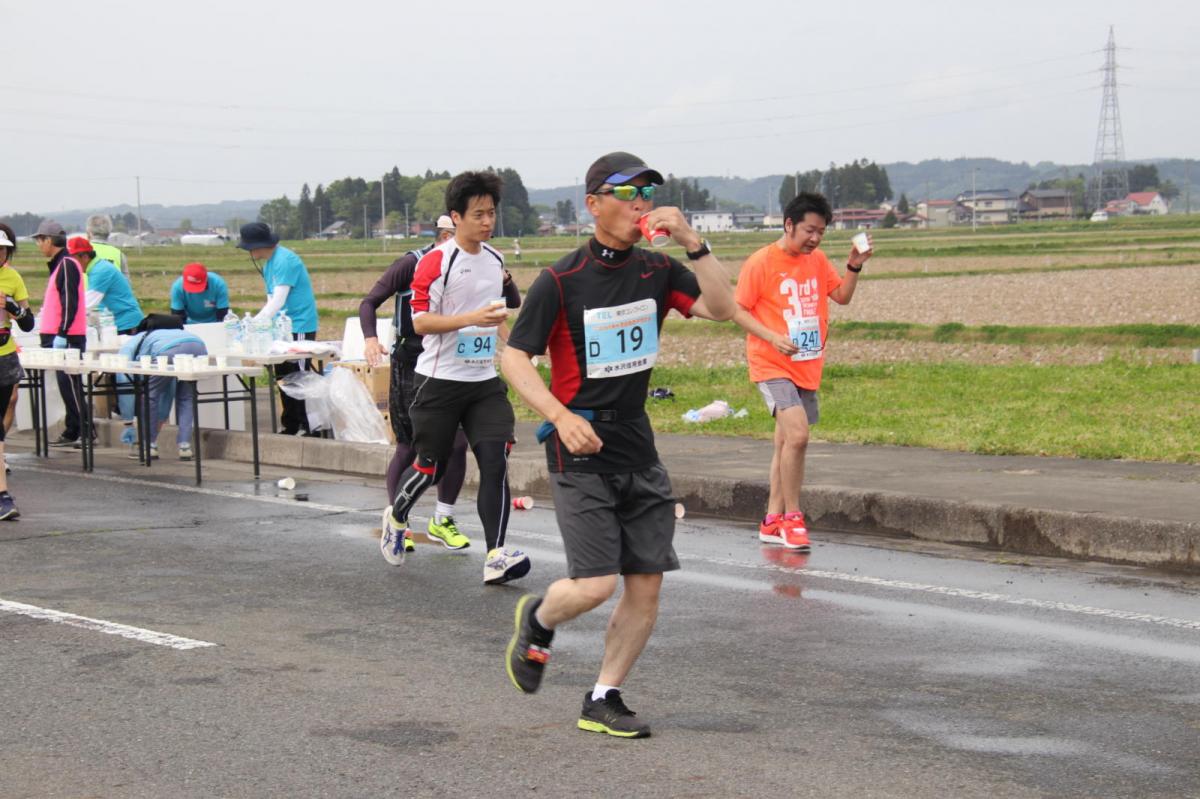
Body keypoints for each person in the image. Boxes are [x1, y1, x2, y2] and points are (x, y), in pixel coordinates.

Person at [501, 151, 735, 738]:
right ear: (594, 204)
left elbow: (721, 308)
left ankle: (603, 696)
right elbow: (514, 357)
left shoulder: (658, 270)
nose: (640, 204)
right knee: (595, 584)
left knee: (647, 583)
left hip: (636, 442)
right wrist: (558, 415)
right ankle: (539, 617)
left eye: (646, 193)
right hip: (578, 445)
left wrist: (694, 243)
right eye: (626, 193)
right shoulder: (561, 279)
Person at [379, 171, 528, 584]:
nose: (487, 221)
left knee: (495, 461)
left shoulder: (495, 259)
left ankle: (496, 555)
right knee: (429, 466)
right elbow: (420, 322)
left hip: (483, 382)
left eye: (491, 213)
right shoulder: (435, 262)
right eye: (478, 214)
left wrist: (518, 345)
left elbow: (495, 314)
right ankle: (398, 517)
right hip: (439, 380)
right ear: (455, 217)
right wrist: (470, 318)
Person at [732, 192, 871, 550]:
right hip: (771, 363)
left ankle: (771, 520)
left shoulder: (818, 260)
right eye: (810, 230)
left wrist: (854, 266)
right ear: (789, 224)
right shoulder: (761, 262)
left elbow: (841, 296)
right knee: (798, 436)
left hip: (806, 363)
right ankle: (793, 518)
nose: (815, 238)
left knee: (784, 443)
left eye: (821, 232)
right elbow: (737, 310)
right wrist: (771, 337)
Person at [236, 222, 319, 435]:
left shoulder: (285, 260)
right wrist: (264, 324)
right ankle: (290, 425)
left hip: (299, 324)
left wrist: (253, 323)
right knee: (283, 377)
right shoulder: (268, 265)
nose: (249, 252)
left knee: (298, 376)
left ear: (258, 246)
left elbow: (279, 300)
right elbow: (270, 299)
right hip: (281, 327)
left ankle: (307, 426)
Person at [114, 324, 208, 460]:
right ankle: (185, 446)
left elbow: (129, 374)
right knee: (186, 398)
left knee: (150, 396)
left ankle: (149, 444)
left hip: (167, 351)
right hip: (198, 347)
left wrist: (128, 421)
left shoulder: (135, 341)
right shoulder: (166, 332)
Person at [33, 220, 88, 448]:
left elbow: (69, 301)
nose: (38, 245)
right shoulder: (60, 264)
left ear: (49, 240)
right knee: (66, 386)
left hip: (67, 335)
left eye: (40, 240)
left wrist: (62, 333)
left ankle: (87, 430)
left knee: (71, 384)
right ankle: (73, 428)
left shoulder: (66, 263)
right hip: (57, 334)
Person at [0, 226, 35, 517]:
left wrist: (13, 307)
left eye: (2, 250)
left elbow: (28, 323)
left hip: (4, 357)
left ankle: (2, 497)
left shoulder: (13, 278)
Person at [67, 236, 144, 334]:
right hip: (118, 323)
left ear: (85, 257)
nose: (70, 264)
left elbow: (87, 304)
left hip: (127, 325)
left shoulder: (101, 271)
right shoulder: (97, 268)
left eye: (73, 260)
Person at [85, 214, 131, 281]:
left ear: (89, 232)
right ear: (109, 231)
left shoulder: (80, 253)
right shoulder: (119, 255)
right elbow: (127, 283)